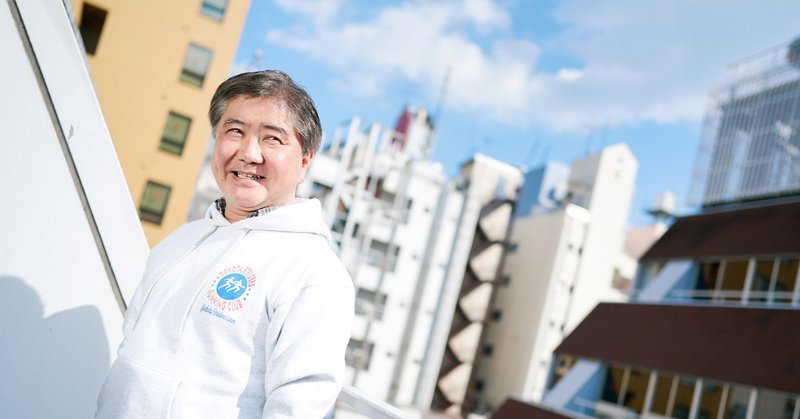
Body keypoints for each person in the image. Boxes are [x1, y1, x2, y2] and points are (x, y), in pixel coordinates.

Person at [96, 70, 355, 418]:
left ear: (304, 161)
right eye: (235, 131)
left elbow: (299, 404)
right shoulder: (180, 241)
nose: (249, 153)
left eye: (272, 138)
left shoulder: (315, 272)